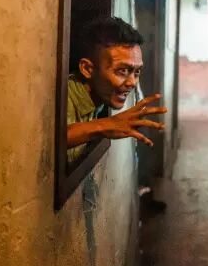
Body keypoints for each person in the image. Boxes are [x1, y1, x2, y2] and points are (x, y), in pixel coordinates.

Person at [66, 16, 166, 163]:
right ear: (87, 69)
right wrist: (104, 126)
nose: (132, 82)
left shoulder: (98, 98)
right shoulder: (61, 98)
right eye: (122, 71)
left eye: (137, 72)